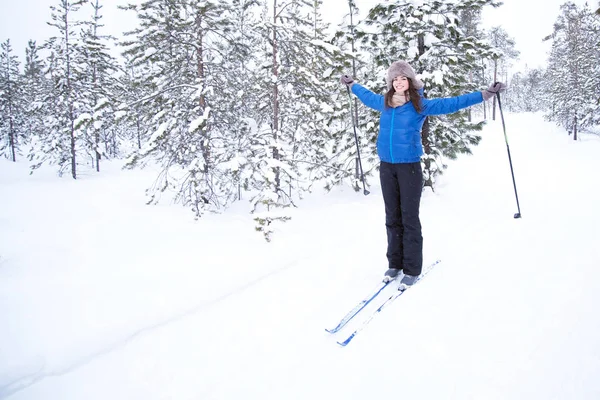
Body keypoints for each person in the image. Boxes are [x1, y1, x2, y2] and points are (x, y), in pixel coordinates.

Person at [340, 60, 505, 287]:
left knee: (409, 218)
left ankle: (412, 268)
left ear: (410, 81)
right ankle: (394, 264)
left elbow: (453, 103)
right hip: (387, 166)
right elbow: (366, 96)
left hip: (409, 167)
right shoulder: (385, 103)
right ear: (391, 83)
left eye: (403, 78)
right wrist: (352, 85)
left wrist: (485, 94)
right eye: (395, 79)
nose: (398, 82)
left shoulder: (420, 105)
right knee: (392, 217)